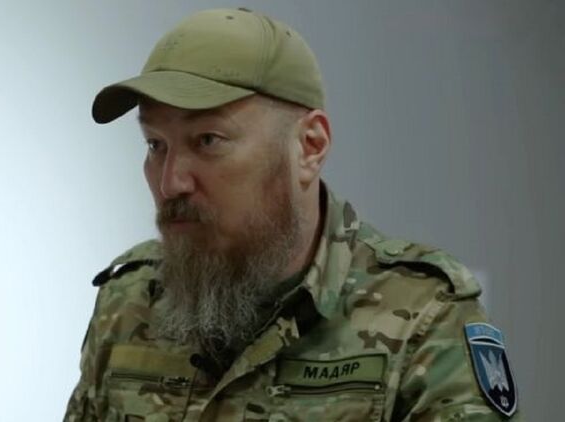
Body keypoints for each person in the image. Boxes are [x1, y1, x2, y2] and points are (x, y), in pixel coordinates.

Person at [64, 8, 521, 421]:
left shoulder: (422, 318)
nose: (170, 183)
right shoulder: (128, 303)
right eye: (155, 145)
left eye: (207, 140)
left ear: (310, 146)